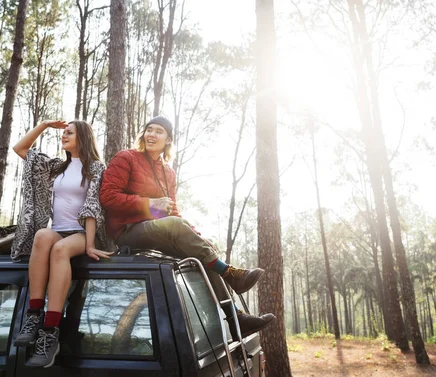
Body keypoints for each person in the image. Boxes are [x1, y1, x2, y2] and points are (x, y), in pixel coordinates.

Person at [99, 115, 274, 338]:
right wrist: (149, 204)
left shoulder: (168, 173)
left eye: (158, 131)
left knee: (203, 253)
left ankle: (235, 318)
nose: (151, 134)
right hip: (127, 231)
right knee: (183, 233)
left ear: (168, 139)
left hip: (159, 232)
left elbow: (173, 213)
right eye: (149, 130)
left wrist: (197, 237)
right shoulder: (126, 158)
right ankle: (229, 272)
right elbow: (108, 196)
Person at [11, 119, 113, 368]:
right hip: (58, 230)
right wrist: (44, 125)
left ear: (84, 137)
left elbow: (92, 207)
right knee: (42, 236)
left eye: (69, 133)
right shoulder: (56, 167)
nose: (64, 135)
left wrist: (89, 245)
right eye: (63, 132)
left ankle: (50, 331)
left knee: (60, 250)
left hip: (83, 231)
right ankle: (35, 315)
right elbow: (20, 149)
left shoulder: (96, 167)